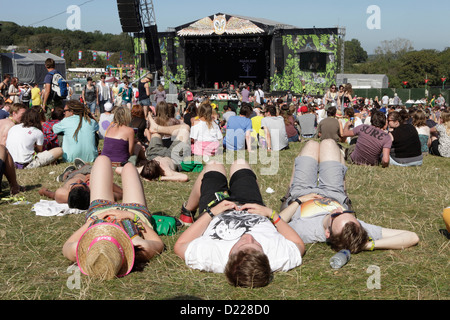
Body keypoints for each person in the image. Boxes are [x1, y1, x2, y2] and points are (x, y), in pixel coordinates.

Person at [173, 159, 305, 288]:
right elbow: (298, 244)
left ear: (229, 257)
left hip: (217, 209)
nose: (249, 237)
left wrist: (211, 213)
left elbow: (180, 246)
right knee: (240, 163)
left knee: (214, 165)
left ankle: (187, 210)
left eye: (242, 244)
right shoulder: (278, 257)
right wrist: (272, 215)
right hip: (251, 205)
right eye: (257, 244)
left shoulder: (211, 256)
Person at [280, 139, 419, 253]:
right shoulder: (355, 229)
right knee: (328, 143)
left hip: (302, 194)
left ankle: (336, 156)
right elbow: (412, 236)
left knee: (311, 145)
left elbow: (276, 225)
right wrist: (367, 244)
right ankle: (340, 155)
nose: (338, 210)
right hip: (334, 193)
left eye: (335, 216)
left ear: (327, 234)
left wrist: (298, 201)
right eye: (346, 212)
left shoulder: (306, 231)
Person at [62, 155, 164, 280]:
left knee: (102, 160)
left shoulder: (81, 249)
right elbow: (158, 243)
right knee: (129, 168)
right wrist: (131, 216)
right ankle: (126, 166)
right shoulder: (137, 246)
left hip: (99, 211)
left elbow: (66, 245)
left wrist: (92, 222)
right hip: (134, 211)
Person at [39, 160, 123, 209]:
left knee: (72, 174)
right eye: (83, 184)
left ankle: (68, 173)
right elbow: (121, 193)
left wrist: (45, 192)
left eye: (74, 184)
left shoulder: (62, 194)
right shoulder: (96, 194)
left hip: (72, 177)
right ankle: (81, 167)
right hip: (89, 173)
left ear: (69, 192)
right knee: (89, 167)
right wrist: (97, 179)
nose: (79, 181)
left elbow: (53, 195)